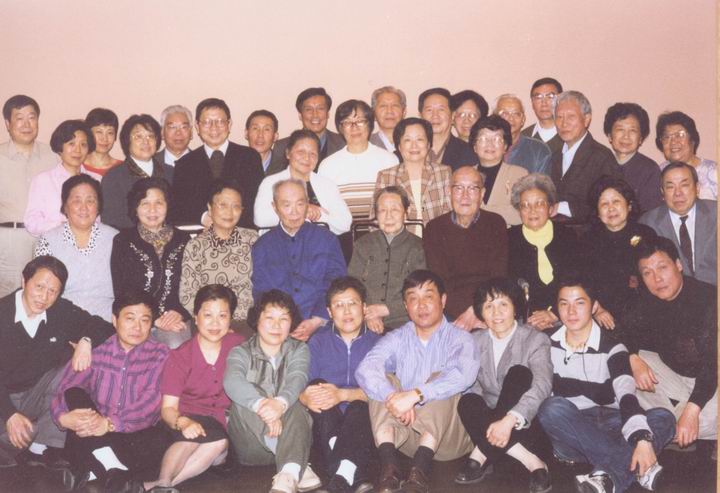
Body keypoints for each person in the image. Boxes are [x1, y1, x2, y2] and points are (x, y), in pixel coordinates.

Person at [537, 276, 675, 493]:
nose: (571, 312)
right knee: (551, 408)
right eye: (564, 304)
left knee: (664, 417)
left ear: (594, 307)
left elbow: (626, 393)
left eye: (579, 303)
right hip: (572, 431)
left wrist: (641, 439)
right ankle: (639, 468)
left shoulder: (613, 347)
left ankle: (606, 476)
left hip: (613, 423)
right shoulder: (544, 343)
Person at [355, 270, 479, 493]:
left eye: (428, 297)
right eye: (413, 298)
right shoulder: (398, 337)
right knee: (382, 381)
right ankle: (390, 468)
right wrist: (392, 396)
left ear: (443, 300)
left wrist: (415, 395)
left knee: (441, 380)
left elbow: (464, 375)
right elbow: (366, 368)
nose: (421, 305)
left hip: (448, 439)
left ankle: (419, 472)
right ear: (405, 305)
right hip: (406, 437)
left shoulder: (461, 338)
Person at [50, 291, 171, 492]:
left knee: (161, 438)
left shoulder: (160, 354)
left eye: (144, 320)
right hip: (94, 430)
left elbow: (151, 402)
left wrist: (109, 424)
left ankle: (91, 470)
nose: (137, 327)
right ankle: (113, 472)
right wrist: (62, 418)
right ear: (115, 320)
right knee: (74, 393)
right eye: (130, 318)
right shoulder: (97, 349)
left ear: (151, 324)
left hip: (133, 433)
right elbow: (65, 387)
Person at [0, 256, 113, 469]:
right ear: (24, 281)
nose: (44, 297)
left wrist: (85, 341)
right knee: (16, 435)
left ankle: (41, 447)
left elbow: (102, 326)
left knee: (70, 367)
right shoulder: (3, 313)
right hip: (3, 397)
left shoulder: (60, 311)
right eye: (39, 287)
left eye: (53, 291)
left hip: (33, 393)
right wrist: (9, 414)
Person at [455, 278, 552, 492]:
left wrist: (509, 419)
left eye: (503, 304)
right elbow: (472, 384)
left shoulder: (535, 339)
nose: (496, 313)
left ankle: (480, 455)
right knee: (467, 400)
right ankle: (532, 462)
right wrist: (496, 422)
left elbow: (542, 385)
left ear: (515, 308)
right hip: (488, 425)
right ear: (481, 313)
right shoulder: (474, 341)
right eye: (489, 306)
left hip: (524, 424)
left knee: (519, 373)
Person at [144, 284, 244, 491]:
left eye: (222, 316)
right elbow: (168, 409)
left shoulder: (238, 345)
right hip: (183, 423)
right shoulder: (179, 357)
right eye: (208, 315)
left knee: (217, 441)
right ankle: (163, 483)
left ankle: (157, 486)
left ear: (230, 319)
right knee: (201, 439)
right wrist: (183, 422)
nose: (215, 323)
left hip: (220, 430)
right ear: (196, 318)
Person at [620, 236, 717, 449]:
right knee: (623, 365)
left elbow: (713, 365)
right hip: (674, 376)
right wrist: (633, 358)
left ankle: (665, 423)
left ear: (678, 265)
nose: (657, 278)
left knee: (710, 419)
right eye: (647, 273)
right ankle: (672, 424)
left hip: (712, 380)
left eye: (662, 268)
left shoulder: (708, 299)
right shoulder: (647, 298)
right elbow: (622, 330)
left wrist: (692, 410)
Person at [224, 289, 320, 493]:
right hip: (251, 446)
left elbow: (297, 378)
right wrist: (264, 406)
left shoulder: (299, 349)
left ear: (291, 323)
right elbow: (231, 381)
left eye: (284, 319)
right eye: (270, 318)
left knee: (294, 399)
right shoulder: (241, 352)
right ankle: (298, 466)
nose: (277, 325)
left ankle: (289, 473)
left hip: (292, 435)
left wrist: (280, 404)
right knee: (245, 395)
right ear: (257, 320)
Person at [300, 277, 380, 493]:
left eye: (352, 303)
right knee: (317, 385)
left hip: (364, 425)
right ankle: (352, 473)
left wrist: (344, 395)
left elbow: (384, 392)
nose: (346, 311)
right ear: (329, 312)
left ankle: (340, 478)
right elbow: (301, 382)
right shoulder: (317, 341)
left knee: (359, 405)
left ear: (364, 308)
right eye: (338, 305)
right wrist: (303, 396)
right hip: (326, 424)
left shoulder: (378, 343)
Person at [252, 179, 347, 342]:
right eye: (286, 205)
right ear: (275, 207)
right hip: (277, 329)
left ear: (308, 204)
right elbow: (261, 292)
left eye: (300, 204)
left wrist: (317, 320)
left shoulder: (327, 239)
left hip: (323, 326)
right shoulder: (263, 246)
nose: (294, 212)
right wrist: (281, 323)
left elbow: (338, 285)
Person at [111, 177, 192, 348]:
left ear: (168, 205)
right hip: (136, 317)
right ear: (135, 208)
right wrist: (152, 318)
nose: (152, 210)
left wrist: (180, 312)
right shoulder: (123, 240)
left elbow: (193, 285)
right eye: (145, 203)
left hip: (174, 317)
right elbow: (121, 290)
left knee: (175, 343)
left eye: (159, 203)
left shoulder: (184, 240)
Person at [424, 166, 508, 330]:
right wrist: (465, 317)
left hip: (489, 305)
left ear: (482, 194)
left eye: (472, 188)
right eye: (458, 188)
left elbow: (498, 275)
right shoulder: (434, 228)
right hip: (451, 310)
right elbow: (440, 281)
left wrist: (476, 311)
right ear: (449, 192)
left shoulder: (496, 223)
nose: (465, 196)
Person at [170, 98, 263, 229]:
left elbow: (256, 201)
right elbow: (179, 206)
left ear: (229, 124)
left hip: (243, 232)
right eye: (207, 122)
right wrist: (203, 217)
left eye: (220, 121)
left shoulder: (250, 157)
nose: (214, 127)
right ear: (197, 126)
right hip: (201, 234)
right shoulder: (184, 164)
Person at [34, 175, 117, 321]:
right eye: (77, 201)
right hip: (63, 318)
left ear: (98, 206)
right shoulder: (47, 241)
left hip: (108, 320)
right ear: (65, 206)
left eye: (90, 201)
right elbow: (42, 291)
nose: (84, 208)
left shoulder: (116, 238)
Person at [179, 180, 258, 331]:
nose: (229, 212)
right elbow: (187, 294)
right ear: (210, 208)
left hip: (246, 321)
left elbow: (262, 284)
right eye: (223, 205)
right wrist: (215, 321)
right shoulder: (196, 245)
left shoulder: (253, 239)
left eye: (236, 206)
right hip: (208, 323)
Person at [507, 174, 582, 330]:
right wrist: (533, 318)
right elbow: (511, 286)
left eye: (539, 203)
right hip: (526, 319)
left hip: (565, 313)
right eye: (525, 205)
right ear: (519, 211)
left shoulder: (567, 235)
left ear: (550, 208)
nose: (532, 210)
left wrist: (553, 313)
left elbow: (576, 277)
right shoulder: (509, 238)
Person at [0, 95, 57, 298]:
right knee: (8, 298)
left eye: (32, 117)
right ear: (8, 124)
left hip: (47, 237)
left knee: (44, 296)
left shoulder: (53, 156)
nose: (26, 124)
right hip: (9, 239)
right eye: (19, 118)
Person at [348, 186, 426, 332]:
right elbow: (352, 284)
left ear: (406, 212)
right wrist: (368, 313)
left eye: (395, 210)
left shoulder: (418, 247)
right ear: (376, 214)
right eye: (382, 210)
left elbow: (421, 291)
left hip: (405, 321)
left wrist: (387, 309)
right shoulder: (363, 244)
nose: (388, 216)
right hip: (364, 319)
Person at [581, 176, 657, 320]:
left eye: (616, 201)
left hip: (643, 311)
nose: (611, 208)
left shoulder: (645, 234)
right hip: (601, 312)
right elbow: (583, 282)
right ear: (598, 212)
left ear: (629, 206)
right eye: (604, 204)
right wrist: (597, 309)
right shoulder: (587, 240)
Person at [254, 129, 352, 235]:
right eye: (301, 152)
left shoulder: (327, 185)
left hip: (320, 242)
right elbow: (260, 219)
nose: (307, 158)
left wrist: (320, 214)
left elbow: (345, 224)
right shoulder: (270, 182)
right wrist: (304, 210)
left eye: (313, 154)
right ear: (288, 153)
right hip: (280, 243)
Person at [318, 99, 398, 220]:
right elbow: (326, 211)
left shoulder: (389, 160)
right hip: (343, 231)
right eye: (347, 122)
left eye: (360, 121)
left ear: (370, 125)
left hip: (381, 229)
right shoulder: (327, 165)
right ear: (340, 128)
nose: (354, 127)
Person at [639, 162, 717, 286]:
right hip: (673, 295)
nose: (678, 193)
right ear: (662, 192)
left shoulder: (716, 213)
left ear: (697, 188)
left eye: (684, 185)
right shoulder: (648, 222)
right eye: (670, 187)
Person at [550, 90, 620, 221]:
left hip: (588, 230)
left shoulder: (601, 157)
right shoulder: (555, 156)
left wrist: (562, 207)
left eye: (571, 117)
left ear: (586, 119)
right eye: (559, 117)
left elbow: (609, 205)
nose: (564, 123)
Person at [373, 118, 452, 232]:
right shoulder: (386, 176)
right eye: (407, 140)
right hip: (399, 241)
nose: (414, 145)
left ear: (428, 144)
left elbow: (449, 215)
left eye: (420, 139)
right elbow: (375, 219)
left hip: (436, 239)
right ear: (399, 146)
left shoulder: (443, 173)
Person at [24, 119, 100, 237]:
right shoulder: (43, 180)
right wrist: (63, 227)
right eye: (71, 144)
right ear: (60, 147)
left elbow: (100, 220)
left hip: (89, 244)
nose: (78, 150)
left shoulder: (97, 180)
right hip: (52, 244)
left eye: (83, 144)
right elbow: (32, 222)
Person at [101, 114, 174, 230]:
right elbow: (112, 219)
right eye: (138, 136)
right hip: (128, 238)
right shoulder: (114, 177)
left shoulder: (171, 173)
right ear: (127, 141)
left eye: (150, 136)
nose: (146, 142)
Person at [267, 87, 345, 175]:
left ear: (328, 114)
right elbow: (275, 179)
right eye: (308, 109)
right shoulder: (282, 146)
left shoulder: (342, 143)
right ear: (300, 115)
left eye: (320, 109)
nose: (315, 115)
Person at [603, 103, 663, 213]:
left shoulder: (650, 169)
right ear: (610, 136)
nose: (626, 136)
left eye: (633, 130)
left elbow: (651, 214)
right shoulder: (600, 164)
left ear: (640, 139)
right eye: (620, 129)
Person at [469, 115, 528, 225]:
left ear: (505, 146)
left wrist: (476, 211)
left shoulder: (519, 174)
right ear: (475, 146)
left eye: (497, 139)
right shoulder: (465, 176)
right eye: (483, 139)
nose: (490, 144)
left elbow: (521, 214)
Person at [655, 111, 716, 200]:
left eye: (680, 135)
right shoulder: (657, 173)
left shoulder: (714, 172)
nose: (673, 142)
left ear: (693, 139)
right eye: (666, 137)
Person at [418, 87, 477, 171]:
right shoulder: (409, 150)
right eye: (429, 110)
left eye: (441, 110)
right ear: (420, 116)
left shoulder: (469, 152)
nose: (435, 116)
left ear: (452, 115)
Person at [494, 94, 552, 175]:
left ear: (523, 120)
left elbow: (542, 182)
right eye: (505, 113)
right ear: (494, 117)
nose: (511, 118)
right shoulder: (484, 148)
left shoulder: (539, 150)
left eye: (516, 114)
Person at [521, 77, 564, 155]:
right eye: (538, 97)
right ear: (532, 103)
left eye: (550, 96)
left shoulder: (570, 134)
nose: (544, 103)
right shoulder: (523, 138)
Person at [83, 108, 122, 177]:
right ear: (88, 134)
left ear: (115, 136)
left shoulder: (123, 169)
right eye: (99, 132)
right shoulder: (77, 166)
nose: (104, 138)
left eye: (110, 133)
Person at [369, 86, 407, 152]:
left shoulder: (415, 144)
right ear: (373, 113)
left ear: (404, 112)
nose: (389, 111)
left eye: (395, 105)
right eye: (383, 106)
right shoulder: (365, 144)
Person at [245, 110, 279, 174]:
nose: (260, 135)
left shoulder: (285, 167)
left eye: (267, 129)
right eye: (255, 128)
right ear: (246, 134)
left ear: (275, 136)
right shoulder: (235, 163)